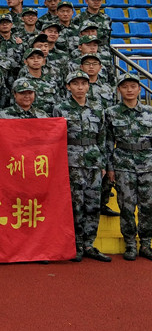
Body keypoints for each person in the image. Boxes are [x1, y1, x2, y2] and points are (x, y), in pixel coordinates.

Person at [52, 71, 110, 262]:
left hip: (94, 163)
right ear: (68, 87)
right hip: (71, 162)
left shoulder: (97, 108)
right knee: (75, 205)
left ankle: (89, 244)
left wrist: (102, 163)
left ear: (88, 86)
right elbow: (55, 138)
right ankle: (76, 244)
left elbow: (102, 138)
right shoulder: (60, 109)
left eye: (83, 83)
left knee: (93, 204)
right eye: (75, 84)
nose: (80, 87)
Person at [105, 72, 152, 261]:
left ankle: (146, 243)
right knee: (126, 206)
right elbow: (108, 142)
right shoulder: (111, 113)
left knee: (148, 206)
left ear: (139, 89)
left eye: (133, 86)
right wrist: (110, 167)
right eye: (125, 87)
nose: (129, 90)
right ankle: (130, 244)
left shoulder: (149, 112)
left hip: (148, 164)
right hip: (123, 164)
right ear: (119, 90)